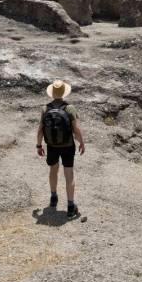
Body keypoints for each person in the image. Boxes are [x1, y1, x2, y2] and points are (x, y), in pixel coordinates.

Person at [37, 80, 85, 218]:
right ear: (64, 93)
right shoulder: (70, 108)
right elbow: (76, 129)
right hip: (68, 146)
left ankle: (53, 198)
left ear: (52, 93)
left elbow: (40, 130)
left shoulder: (45, 108)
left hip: (52, 146)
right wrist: (81, 142)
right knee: (68, 174)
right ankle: (70, 207)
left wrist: (39, 145)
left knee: (53, 170)